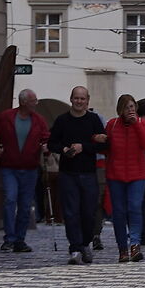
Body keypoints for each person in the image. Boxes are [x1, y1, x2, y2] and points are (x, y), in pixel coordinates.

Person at [0, 88, 48, 253]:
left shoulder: (38, 120)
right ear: (24, 102)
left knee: (26, 205)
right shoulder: (6, 117)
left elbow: (46, 137)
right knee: (10, 200)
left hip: (30, 167)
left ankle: (20, 239)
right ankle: (9, 238)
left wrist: (46, 146)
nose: (36, 103)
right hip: (9, 166)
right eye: (34, 101)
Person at [50, 86, 107, 265]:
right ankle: (75, 248)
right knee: (70, 212)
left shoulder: (93, 120)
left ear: (87, 100)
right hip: (68, 173)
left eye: (82, 99)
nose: (79, 101)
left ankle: (85, 243)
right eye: (76, 98)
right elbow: (52, 143)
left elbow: (103, 144)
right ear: (71, 99)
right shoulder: (62, 120)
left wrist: (84, 147)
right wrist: (64, 149)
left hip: (88, 173)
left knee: (88, 212)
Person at [104, 94, 145, 262]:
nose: (130, 110)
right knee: (118, 212)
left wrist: (137, 126)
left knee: (134, 208)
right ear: (121, 110)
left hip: (137, 174)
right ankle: (122, 248)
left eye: (132, 107)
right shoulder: (112, 125)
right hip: (116, 174)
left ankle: (135, 244)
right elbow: (105, 148)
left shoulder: (143, 123)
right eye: (127, 107)